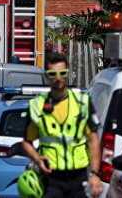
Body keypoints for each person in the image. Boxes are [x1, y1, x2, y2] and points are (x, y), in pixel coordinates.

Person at [20, 52, 102, 198]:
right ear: (46, 75)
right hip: (51, 179)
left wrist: (95, 174)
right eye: (53, 74)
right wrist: (37, 159)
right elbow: (26, 143)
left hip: (78, 178)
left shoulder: (82, 103)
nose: (58, 78)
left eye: (62, 73)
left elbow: (93, 140)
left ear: (67, 74)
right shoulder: (37, 106)